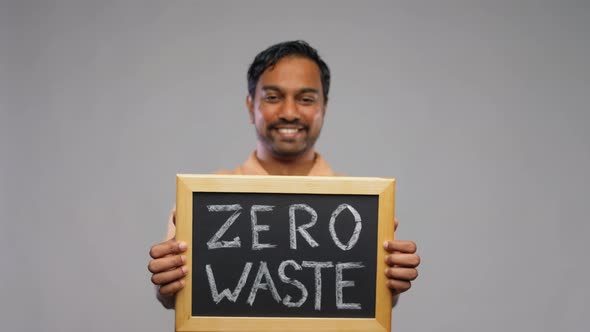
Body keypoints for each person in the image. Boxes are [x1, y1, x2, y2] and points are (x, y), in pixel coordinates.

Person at [148, 40, 420, 310]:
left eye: (305, 99)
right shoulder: (204, 200)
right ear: (250, 106)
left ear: (323, 107)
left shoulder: (358, 208)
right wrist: (169, 283)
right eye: (273, 97)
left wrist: (388, 286)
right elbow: (175, 296)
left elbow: (364, 297)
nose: (289, 112)